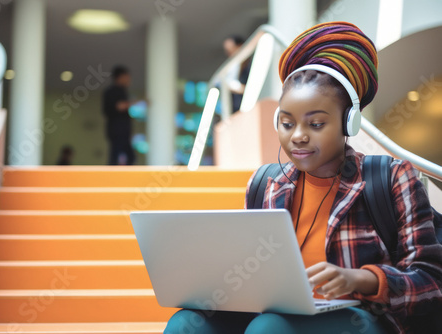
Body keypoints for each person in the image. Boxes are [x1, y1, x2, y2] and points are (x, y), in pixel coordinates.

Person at [164, 22, 442, 334]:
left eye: (316, 124)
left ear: (348, 122)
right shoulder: (265, 184)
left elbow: (430, 281)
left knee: (269, 328)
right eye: (287, 123)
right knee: (186, 323)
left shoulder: (392, 177)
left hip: (363, 319)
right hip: (279, 314)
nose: (298, 136)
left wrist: (362, 279)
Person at [102, 65, 135, 165]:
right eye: (127, 77)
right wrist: (138, 102)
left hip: (123, 131)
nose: (128, 79)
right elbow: (119, 106)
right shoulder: (112, 91)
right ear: (120, 77)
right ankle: (110, 179)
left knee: (129, 156)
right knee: (116, 157)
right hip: (117, 130)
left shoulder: (122, 91)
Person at [222, 35, 251, 113]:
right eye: (227, 51)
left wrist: (242, 89)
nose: (230, 54)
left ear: (240, 46)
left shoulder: (253, 65)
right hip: (236, 109)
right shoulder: (233, 68)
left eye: (231, 50)